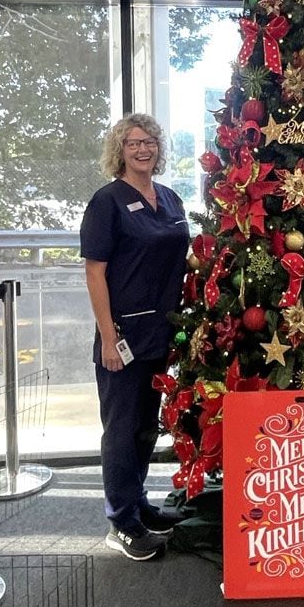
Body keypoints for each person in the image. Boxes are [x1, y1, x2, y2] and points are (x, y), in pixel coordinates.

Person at [80, 114, 190, 561]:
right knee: (121, 430)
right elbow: (94, 272)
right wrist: (108, 337)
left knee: (146, 426)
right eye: (132, 143)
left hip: (161, 332)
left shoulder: (169, 197)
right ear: (119, 151)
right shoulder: (106, 202)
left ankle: (139, 502)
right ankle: (121, 521)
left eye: (149, 142)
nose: (142, 149)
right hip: (122, 335)